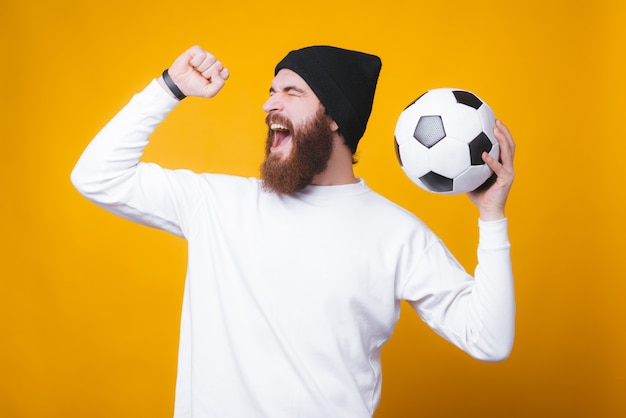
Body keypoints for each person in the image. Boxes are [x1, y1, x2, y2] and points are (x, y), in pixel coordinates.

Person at [71, 45, 516, 418]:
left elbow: (489, 339)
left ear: (335, 116)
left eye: (291, 91)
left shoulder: (397, 234)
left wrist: (491, 217)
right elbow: (96, 176)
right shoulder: (218, 205)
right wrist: (168, 88)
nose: (269, 104)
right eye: (271, 90)